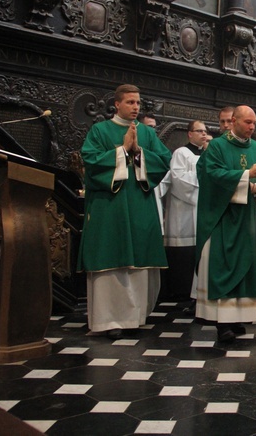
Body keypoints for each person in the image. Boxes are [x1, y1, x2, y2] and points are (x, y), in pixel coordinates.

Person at [78, 84, 171, 339]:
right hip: (110, 208)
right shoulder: (100, 130)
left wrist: (138, 151)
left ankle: (135, 316)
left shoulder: (147, 134)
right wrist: (121, 151)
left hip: (139, 204)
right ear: (116, 104)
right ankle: (109, 320)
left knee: (138, 263)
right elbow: (91, 162)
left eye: (138, 103)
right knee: (111, 260)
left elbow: (163, 160)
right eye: (130, 102)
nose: (135, 107)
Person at [195, 105, 256, 342]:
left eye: (254, 123)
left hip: (249, 218)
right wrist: (245, 177)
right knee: (226, 264)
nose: (252, 127)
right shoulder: (218, 146)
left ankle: (239, 317)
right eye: (247, 122)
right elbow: (210, 176)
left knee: (248, 265)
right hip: (226, 217)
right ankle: (223, 323)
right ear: (233, 121)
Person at [162, 120, 209, 302]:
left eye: (205, 131)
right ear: (189, 133)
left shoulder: (207, 154)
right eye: (199, 131)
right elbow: (178, 179)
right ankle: (181, 291)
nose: (203, 134)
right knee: (184, 254)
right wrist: (203, 181)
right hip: (184, 211)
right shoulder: (182, 153)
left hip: (200, 208)